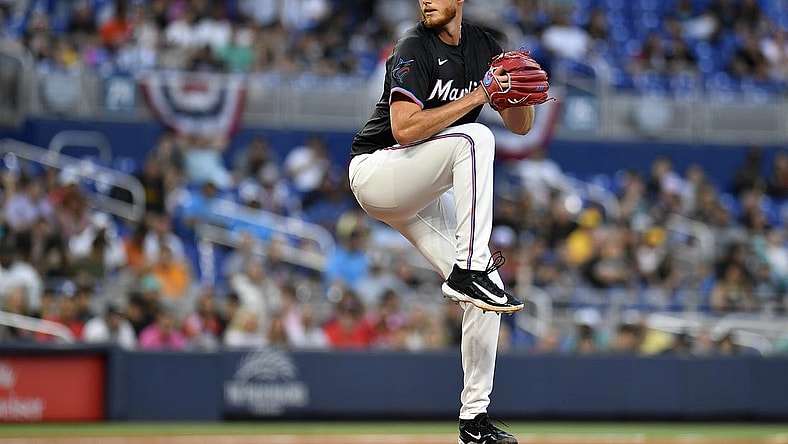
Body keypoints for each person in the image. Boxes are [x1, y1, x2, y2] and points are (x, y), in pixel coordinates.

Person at [348, 1, 539, 442]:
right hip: (379, 170)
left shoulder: (484, 46)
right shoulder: (413, 45)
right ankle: (468, 271)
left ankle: (474, 421)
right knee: (475, 137)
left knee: (489, 292)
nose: (426, 0)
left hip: (424, 189)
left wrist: (520, 92)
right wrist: (480, 96)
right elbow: (404, 130)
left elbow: (520, 126)